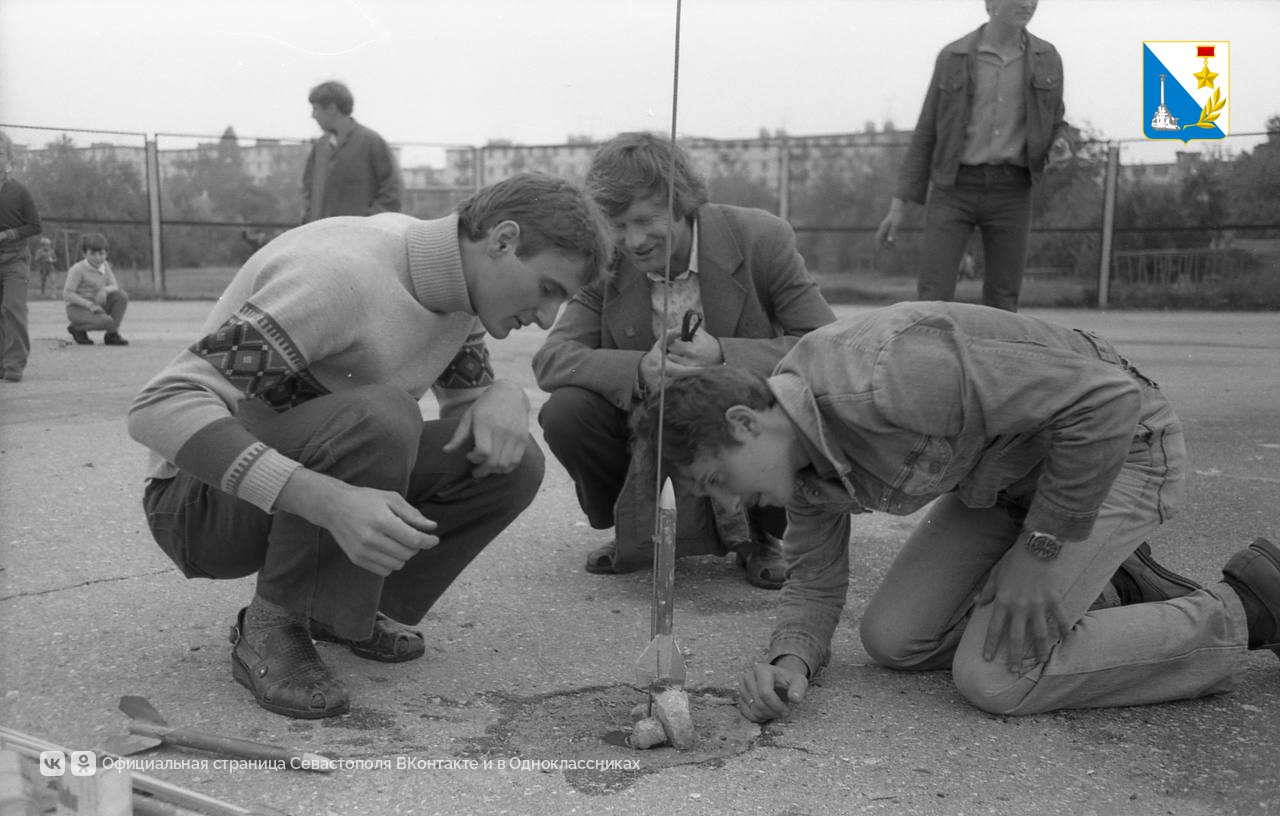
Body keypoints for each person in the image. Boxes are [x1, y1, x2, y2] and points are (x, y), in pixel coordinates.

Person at [638, 301, 1278, 722]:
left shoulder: (884, 374)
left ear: (745, 422)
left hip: (1120, 454)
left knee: (996, 679)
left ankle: (1248, 606)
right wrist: (789, 664)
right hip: (1006, 487)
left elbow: (1106, 402)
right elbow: (814, 580)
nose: (727, 502)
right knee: (892, 640)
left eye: (717, 478)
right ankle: (1103, 590)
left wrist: (1044, 548)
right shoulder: (797, 469)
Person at [127, 172, 607, 719]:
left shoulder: (458, 294)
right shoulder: (340, 276)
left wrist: (504, 394)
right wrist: (327, 500)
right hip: (194, 506)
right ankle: (273, 625)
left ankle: (339, 612)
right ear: (502, 240)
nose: (548, 319)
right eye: (548, 290)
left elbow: (467, 424)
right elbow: (160, 404)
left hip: (280, 486)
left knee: (511, 462)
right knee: (384, 416)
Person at [532, 132, 836, 589]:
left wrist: (723, 357)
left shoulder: (761, 238)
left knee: (790, 404)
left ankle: (768, 534)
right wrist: (639, 368)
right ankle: (630, 528)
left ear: (683, 202)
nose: (631, 241)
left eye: (644, 219)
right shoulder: (606, 262)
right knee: (566, 411)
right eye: (615, 224)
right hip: (652, 418)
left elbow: (825, 344)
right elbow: (552, 360)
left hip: (744, 411)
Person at [874, 0, 1071, 312]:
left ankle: (991, 360)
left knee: (1003, 301)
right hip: (953, 189)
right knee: (932, 295)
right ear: (991, 3)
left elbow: (1057, 120)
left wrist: (1059, 142)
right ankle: (932, 359)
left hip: (1012, 191)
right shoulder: (953, 56)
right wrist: (899, 206)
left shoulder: (1047, 57)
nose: (1028, 3)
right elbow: (926, 131)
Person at [301, 80, 403, 224]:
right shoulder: (319, 148)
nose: (313, 115)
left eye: (316, 109)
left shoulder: (371, 141)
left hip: (361, 241)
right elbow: (308, 194)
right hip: (322, 239)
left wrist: (367, 225)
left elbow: (392, 192)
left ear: (331, 108)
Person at [0, 132, 42, 383]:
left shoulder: (19, 191)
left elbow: (35, 226)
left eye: (0, 153)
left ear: (9, 159)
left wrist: (8, 235)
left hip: (15, 258)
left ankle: (15, 362)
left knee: (12, 307)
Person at [63, 232, 130, 346]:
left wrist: (104, 290)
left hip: (97, 304)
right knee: (107, 321)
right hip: (78, 308)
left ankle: (111, 335)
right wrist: (90, 305)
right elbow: (67, 294)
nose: (98, 258)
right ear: (84, 253)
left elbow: (114, 285)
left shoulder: (105, 265)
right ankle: (76, 328)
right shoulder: (77, 269)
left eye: (101, 253)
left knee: (121, 296)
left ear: (106, 253)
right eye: (93, 253)